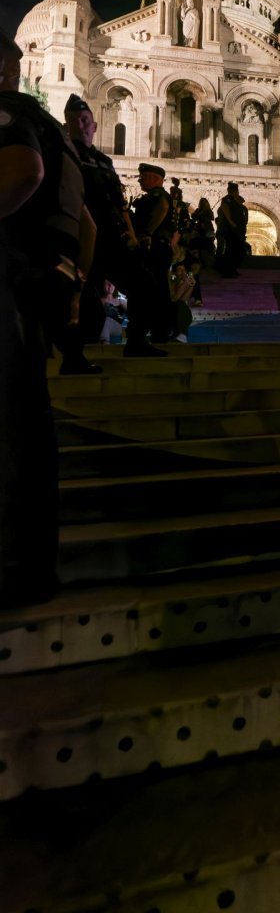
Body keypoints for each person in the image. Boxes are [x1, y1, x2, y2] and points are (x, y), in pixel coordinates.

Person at [0, 30, 89, 606]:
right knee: (27, 417)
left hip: (10, 274)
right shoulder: (52, 127)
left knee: (12, 419)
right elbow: (85, 217)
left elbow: (24, 173)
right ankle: (33, 566)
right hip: (44, 276)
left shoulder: (10, 116)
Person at [63, 93, 145, 361]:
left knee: (142, 281)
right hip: (80, 235)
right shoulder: (63, 153)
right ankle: (74, 358)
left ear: (95, 125)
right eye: (75, 120)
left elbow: (120, 201)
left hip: (110, 235)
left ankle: (136, 342)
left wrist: (131, 234)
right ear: (68, 125)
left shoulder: (104, 160)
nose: (81, 124)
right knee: (81, 297)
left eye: (85, 119)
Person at [129, 163, 174, 353]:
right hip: (154, 246)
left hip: (155, 247)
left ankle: (160, 330)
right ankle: (158, 330)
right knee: (154, 287)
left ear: (155, 179)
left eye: (144, 176)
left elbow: (161, 209)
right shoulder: (150, 196)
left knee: (156, 287)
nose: (140, 180)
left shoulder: (159, 195)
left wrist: (147, 233)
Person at [217, 182, 247, 276]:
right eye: (237, 190)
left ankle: (232, 269)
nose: (238, 192)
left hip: (235, 228)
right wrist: (231, 222)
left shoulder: (234, 200)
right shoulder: (227, 199)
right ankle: (227, 271)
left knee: (235, 249)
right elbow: (225, 208)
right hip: (230, 229)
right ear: (234, 191)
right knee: (230, 250)